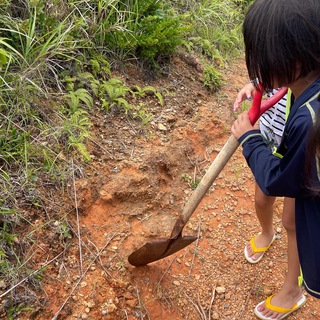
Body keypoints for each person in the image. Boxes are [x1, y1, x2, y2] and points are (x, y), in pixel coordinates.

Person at [231, 0, 320, 319]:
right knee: (275, 209)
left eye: (266, 59)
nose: (260, 68)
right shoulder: (306, 78)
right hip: (293, 168)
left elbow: (279, 179)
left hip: (302, 178)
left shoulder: (310, 122)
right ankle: (270, 242)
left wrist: (250, 139)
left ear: (297, 57)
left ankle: (293, 290)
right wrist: (255, 84)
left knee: (294, 222)